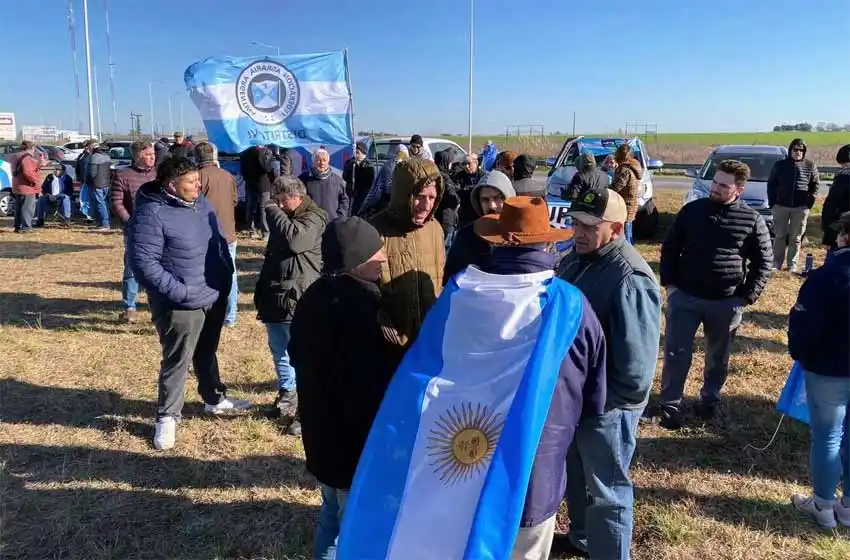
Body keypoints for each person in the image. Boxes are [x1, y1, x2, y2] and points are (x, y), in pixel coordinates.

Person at [337, 196, 606, 560]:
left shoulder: (459, 293)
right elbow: (594, 394)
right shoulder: (571, 305)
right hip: (531, 473)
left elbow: (423, 370)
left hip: (454, 465)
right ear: (547, 242)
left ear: (497, 239)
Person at [289, 217, 405, 560]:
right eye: (374, 252)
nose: (383, 258)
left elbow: (298, 356)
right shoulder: (359, 310)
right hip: (352, 443)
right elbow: (368, 384)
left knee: (330, 509)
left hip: (322, 434)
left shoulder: (314, 295)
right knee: (351, 522)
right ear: (354, 260)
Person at [558, 186, 662, 559]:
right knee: (577, 476)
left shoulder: (630, 278)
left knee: (608, 491)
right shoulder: (578, 260)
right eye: (575, 223)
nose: (579, 232)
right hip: (575, 400)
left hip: (606, 408)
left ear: (617, 229)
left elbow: (636, 372)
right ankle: (583, 537)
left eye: (589, 225)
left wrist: (601, 407)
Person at [128, 157, 250, 451]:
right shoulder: (151, 214)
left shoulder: (202, 203)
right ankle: (167, 416)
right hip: (180, 304)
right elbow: (144, 263)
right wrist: (179, 292)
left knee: (207, 351)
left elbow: (218, 240)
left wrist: (224, 273)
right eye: (192, 182)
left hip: (212, 293)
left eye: (197, 180)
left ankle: (214, 398)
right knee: (177, 359)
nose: (199, 185)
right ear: (171, 185)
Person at [655, 159, 773, 429]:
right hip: (685, 295)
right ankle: (670, 404)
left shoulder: (752, 220)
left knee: (718, 356)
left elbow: (764, 263)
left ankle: (709, 400)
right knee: (676, 352)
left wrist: (745, 297)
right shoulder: (692, 211)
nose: (715, 188)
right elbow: (671, 248)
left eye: (723, 185)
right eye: (715, 182)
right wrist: (671, 286)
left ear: (739, 190)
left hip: (726, 300)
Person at [788, 211, 850, 529]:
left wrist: (799, 352)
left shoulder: (827, 277)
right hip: (834, 364)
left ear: (844, 237)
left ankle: (824, 505)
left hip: (829, 368)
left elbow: (805, 322)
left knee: (827, 436)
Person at [254, 176, 329, 434]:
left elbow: (296, 241)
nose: (279, 205)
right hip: (277, 295)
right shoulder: (286, 215)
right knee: (280, 351)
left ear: (297, 196)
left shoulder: (315, 216)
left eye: (283, 200)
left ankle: (305, 409)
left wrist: (274, 212)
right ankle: (287, 398)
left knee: (302, 356)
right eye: (276, 201)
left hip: (298, 296)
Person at [369, 158, 445, 344]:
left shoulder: (435, 229)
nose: (426, 205)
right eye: (419, 196)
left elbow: (439, 281)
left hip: (428, 338)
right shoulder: (374, 230)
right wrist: (383, 325)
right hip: (387, 343)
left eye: (432, 197)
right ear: (403, 195)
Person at [110, 140, 157, 323]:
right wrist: (129, 222)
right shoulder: (123, 175)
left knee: (157, 270)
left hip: (157, 229)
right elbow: (116, 202)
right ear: (137, 156)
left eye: (153, 154)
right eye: (147, 155)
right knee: (132, 269)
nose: (152, 158)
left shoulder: (158, 174)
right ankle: (130, 306)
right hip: (134, 231)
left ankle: (156, 306)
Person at [444, 170, 516, 284]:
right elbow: (450, 279)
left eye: (498, 198)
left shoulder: (525, 235)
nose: (492, 206)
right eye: (485, 200)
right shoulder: (466, 237)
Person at [196, 142, 239, 327]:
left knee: (203, 274)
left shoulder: (197, 177)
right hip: (229, 232)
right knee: (231, 274)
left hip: (205, 234)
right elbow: (235, 200)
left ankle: (209, 312)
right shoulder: (228, 176)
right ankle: (230, 316)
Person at [767, 138, 820, 272]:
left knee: (796, 238)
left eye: (801, 150)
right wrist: (773, 203)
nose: (798, 152)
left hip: (800, 208)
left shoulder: (810, 165)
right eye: (795, 149)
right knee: (780, 236)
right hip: (781, 206)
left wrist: (809, 202)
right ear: (790, 150)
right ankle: (776, 264)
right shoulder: (780, 165)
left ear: (804, 151)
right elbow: (771, 184)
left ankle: (792, 265)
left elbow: (815, 185)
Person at [359, 143, 408, 217]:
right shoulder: (390, 166)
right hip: (382, 202)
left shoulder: (403, 166)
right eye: (403, 155)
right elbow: (385, 190)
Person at [301, 147, 349, 220]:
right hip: (311, 222)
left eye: (324, 160)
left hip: (332, 222)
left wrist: (340, 216)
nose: (322, 163)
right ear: (313, 162)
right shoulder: (303, 179)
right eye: (319, 160)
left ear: (328, 162)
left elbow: (344, 200)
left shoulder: (337, 180)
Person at [821, 144, 850, 256]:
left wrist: (828, 237)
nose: (843, 168)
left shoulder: (842, 179)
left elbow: (830, 209)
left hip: (842, 234)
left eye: (844, 165)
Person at [611, 145, 642, 244]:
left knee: (625, 237)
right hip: (631, 205)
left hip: (624, 206)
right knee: (629, 232)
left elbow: (616, 188)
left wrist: (604, 189)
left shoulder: (624, 170)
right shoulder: (633, 166)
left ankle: (627, 256)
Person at [11, 141, 43, 233]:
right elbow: (28, 172)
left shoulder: (15, 156)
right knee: (28, 208)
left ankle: (18, 226)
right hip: (27, 187)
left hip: (17, 185)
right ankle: (26, 227)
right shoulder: (27, 157)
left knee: (19, 208)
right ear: (32, 148)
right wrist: (36, 182)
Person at [240, 145, 271, 240]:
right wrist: (261, 153)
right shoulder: (266, 152)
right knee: (262, 208)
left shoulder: (245, 152)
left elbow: (243, 170)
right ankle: (265, 232)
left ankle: (252, 229)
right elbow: (267, 168)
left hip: (251, 183)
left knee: (251, 207)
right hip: (262, 184)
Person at [434, 148, 461, 243]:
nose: (451, 165)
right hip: (446, 218)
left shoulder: (433, 174)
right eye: (450, 163)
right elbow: (454, 199)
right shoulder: (444, 178)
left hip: (435, 217)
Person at [34, 163, 74, 227]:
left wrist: (60, 195)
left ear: (63, 171)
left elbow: (70, 191)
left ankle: (67, 219)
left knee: (66, 198)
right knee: (41, 199)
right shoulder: (49, 177)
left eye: (58, 169)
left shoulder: (67, 178)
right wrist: (47, 194)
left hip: (61, 197)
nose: (55, 170)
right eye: (55, 169)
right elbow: (43, 187)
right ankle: (40, 220)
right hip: (50, 197)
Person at [86, 142, 113, 231]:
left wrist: (88, 182)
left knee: (100, 203)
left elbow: (92, 173)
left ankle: (105, 224)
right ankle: (105, 222)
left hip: (97, 183)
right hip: (106, 183)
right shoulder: (107, 156)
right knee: (105, 202)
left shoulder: (94, 157)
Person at [343, 142, 375, 216]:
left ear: (363, 153)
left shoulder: (368, 165)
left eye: (358, 152)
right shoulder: (350, 162)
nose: (356, 154)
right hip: (350, 193)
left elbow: (369, 181)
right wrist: (351, 167)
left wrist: (359, 167)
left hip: (362, 195)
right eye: (355, 152)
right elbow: (345, 176)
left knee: (358, 213)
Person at [75, 140, 96, 223]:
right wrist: (78, 177)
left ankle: (91, 216)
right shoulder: (81, 156)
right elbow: (78, 167)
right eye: (84, 146)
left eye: (87, 146)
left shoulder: (93, 155)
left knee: (90, 199)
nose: (85, 147)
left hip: (91, 181)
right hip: (83, 181)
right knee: (84, 199)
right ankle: (88, 216)